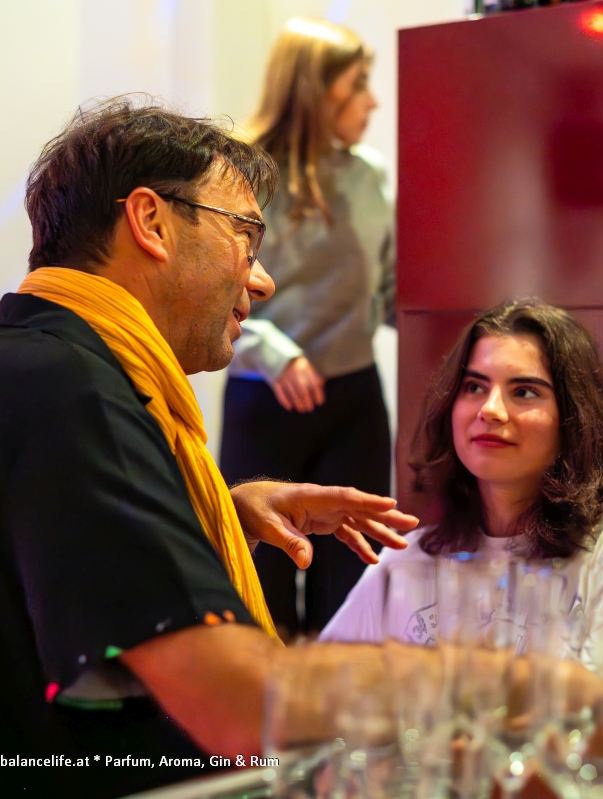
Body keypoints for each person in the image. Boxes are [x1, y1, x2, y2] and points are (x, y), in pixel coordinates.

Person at [0, 101, 603, 799]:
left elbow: (54, 592)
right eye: (246, 235)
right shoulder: (72, 395)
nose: (263, 280)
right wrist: (541, 692)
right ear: (150, 222)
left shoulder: (22, 366)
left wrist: (214, 513)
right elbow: (244, 704)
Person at [322, 300, 603, 710]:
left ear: (574, 416)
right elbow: (318, 699)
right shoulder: (411, 557)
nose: (491, 410)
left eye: (524, 392)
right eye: (474, 387)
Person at [220, 17, 395, 638]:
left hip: (354, 402)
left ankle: (337, 705)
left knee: (353, 589)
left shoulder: (369, 175)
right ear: (316, 89)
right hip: (265, 402)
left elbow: (389, 288)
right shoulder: (239, 174)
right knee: (259, 589)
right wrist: (272, 351)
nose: (373, 101)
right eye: (359, 85)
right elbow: (216, 287)